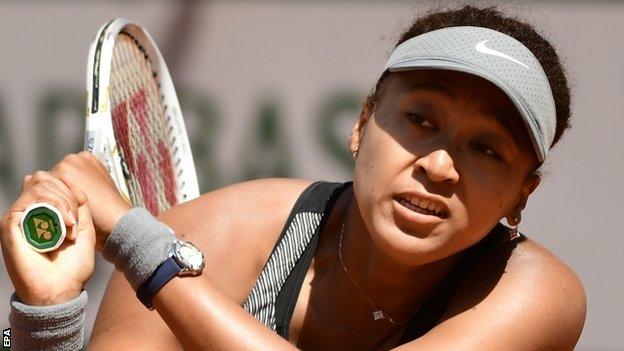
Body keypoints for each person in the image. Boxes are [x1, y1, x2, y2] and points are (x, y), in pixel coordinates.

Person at [0, 5, 586, 350]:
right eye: (419, 119)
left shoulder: (537, 294)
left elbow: (146, 248)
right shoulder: (215, 234)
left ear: (521, 193)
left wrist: (143, 247)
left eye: (485, 148)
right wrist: (47, 316)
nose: (438, 165)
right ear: (362, 125)